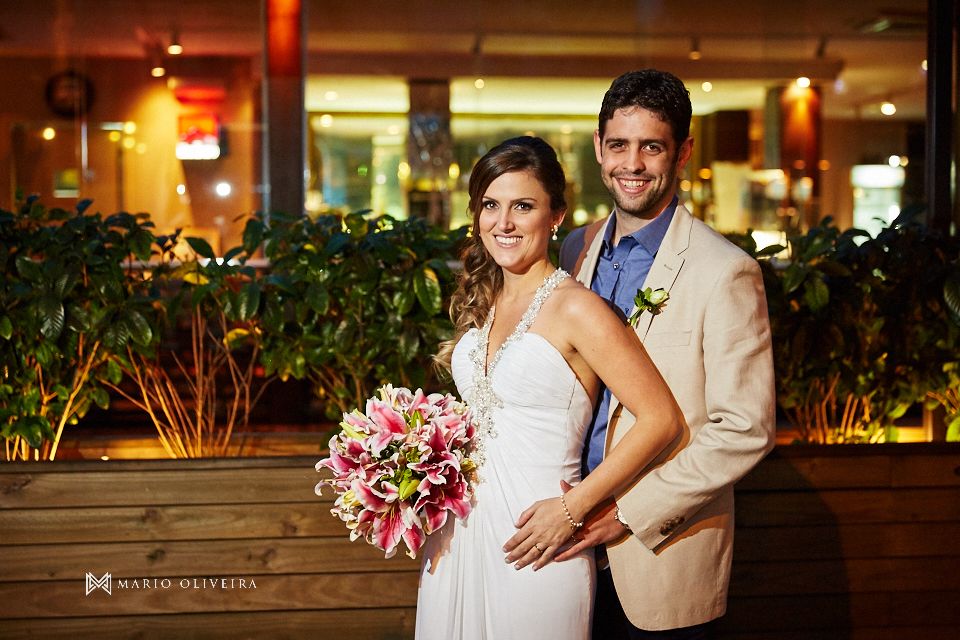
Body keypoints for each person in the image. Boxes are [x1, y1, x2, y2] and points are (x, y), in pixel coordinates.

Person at [415, 136, 683, 640]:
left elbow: (661, 420)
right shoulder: (483, 303)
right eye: (491, 205)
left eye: (523, 206)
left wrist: (574, 507)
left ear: (556, 215)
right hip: (455, 534)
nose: (504, 223)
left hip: (538, 542)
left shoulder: (578, 309)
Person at [547, 69, 776, 638]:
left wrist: (628, 512)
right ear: (599, 148)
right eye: (619, 145)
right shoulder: (576, 247)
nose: (633, 163)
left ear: (682, 153)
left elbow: (744, 428)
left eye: (652, 147)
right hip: (564, 544)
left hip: (659, 555)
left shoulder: (725, 271)